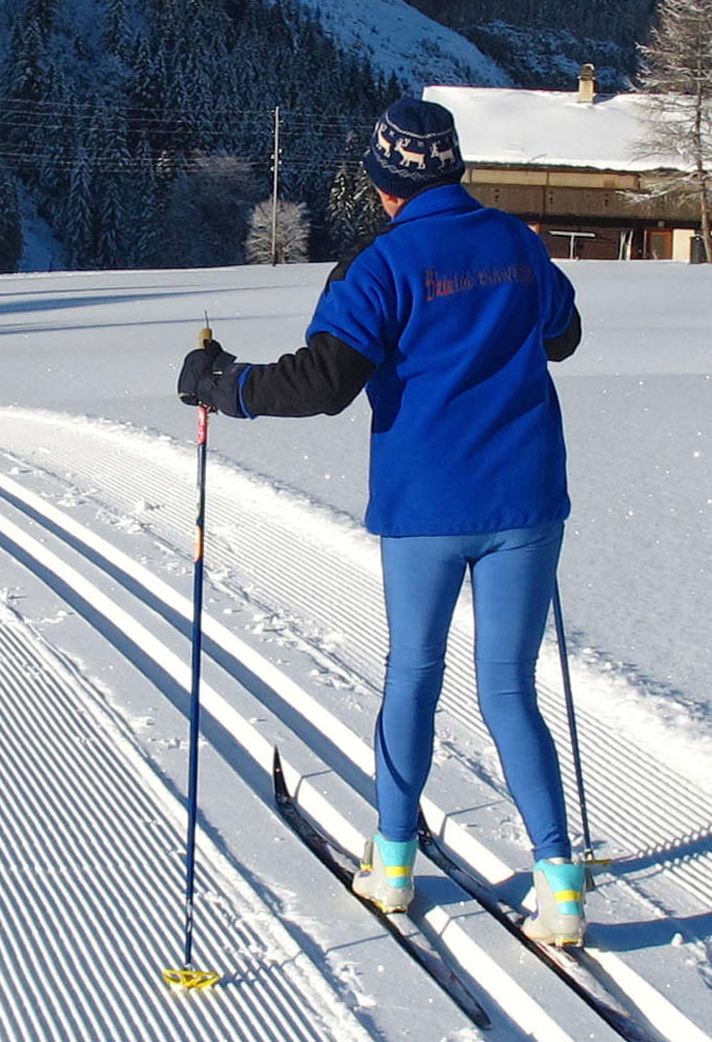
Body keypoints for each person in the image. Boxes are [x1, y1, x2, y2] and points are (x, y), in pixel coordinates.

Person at [177, 96, 592, 946]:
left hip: (428, 507)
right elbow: (565, 335)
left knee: (414, 678)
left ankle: (394, 868)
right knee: (511, 689)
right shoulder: (516, 242)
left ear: (383, 185)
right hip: (526, 502)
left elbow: (323, 383)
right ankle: (560, 888)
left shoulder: (381, 266)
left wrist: (224, 383)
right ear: (454, 168)